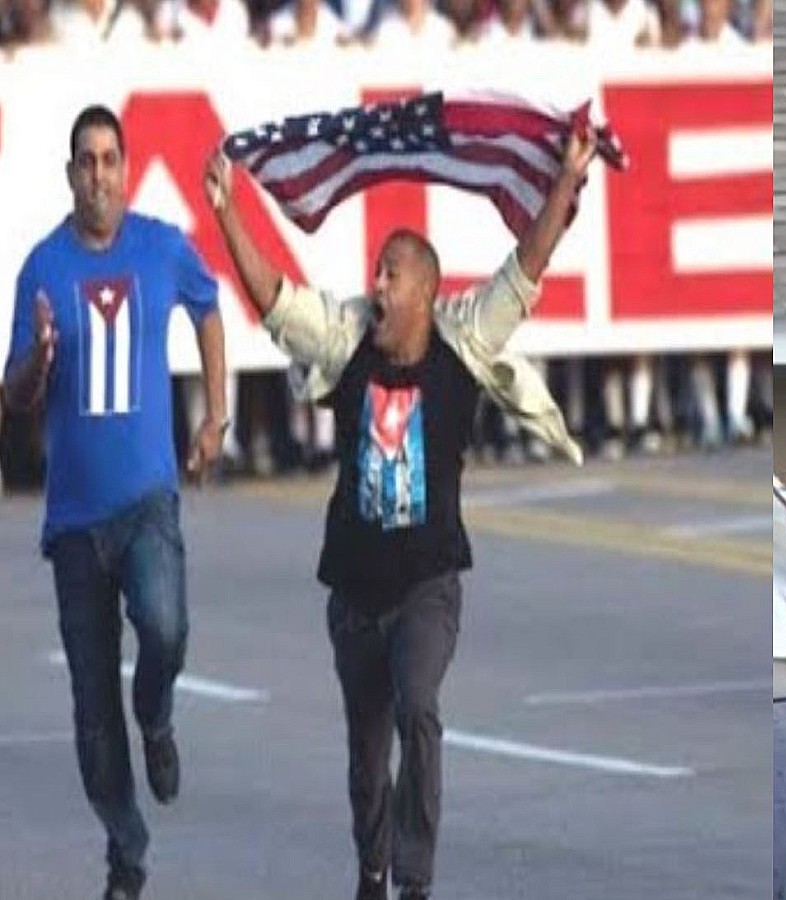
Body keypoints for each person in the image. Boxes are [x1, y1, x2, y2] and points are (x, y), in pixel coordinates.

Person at [203, 124, 593, 900]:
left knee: (419, 707)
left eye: (390, 275)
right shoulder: (349, 339)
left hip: (428, 586)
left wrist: (568, 176)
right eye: (376, 273)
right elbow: (275, 300)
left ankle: (415, 881)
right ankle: (373, 871)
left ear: (423, 291)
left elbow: (527, 270)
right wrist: (226, 210)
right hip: (353, 593)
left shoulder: (463, 342)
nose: (375, 285)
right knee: (364, 756)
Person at [3, 104, 228, 900]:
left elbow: (208, 306)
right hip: (73, 523)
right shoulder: (41, 268)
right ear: (70, 175)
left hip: (146, 500)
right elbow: (15, 394)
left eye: (110, 159)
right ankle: (125, 853)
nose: (99, 175)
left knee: (166, 629)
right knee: (92, 715)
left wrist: (217, 410)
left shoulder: (161, 247)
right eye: (85, 162)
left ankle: (158, 716)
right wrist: (36, 364)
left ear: (125, 169)